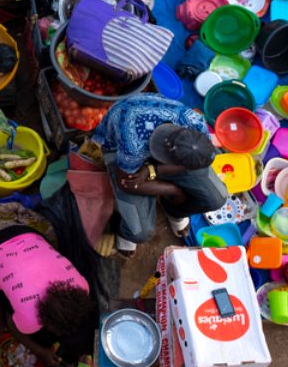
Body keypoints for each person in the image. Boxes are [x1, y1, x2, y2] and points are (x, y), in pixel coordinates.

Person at [92, 93, 228, 255]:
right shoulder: (133, 142)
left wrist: (153, 170)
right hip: (118, 151)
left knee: (216, 197)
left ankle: (174, 210)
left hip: (158, 159)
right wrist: (173, 190)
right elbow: (128, 183)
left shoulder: (194, 122)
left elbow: (190, 164)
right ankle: (125, 233)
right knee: (140, 233)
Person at [0, 224, 99, 367]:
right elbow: (11, 323)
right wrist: (40, 351)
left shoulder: (82, 286)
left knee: (14, 286)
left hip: (24, 234)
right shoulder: (30, 317)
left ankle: (4, 283)